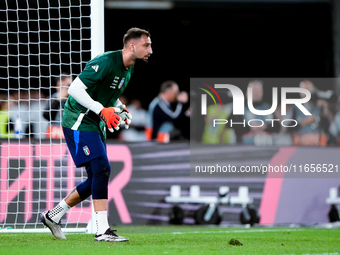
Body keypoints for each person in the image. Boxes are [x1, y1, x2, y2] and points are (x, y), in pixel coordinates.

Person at [40, 27, 152, 242]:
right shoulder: (107, 62)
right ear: (132, 45)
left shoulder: (129, 68)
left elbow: (107, 95)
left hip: (94, 123)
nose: (150, 50)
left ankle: (53, 216)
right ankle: (102, 230)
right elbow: (74, 89)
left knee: (96, 176)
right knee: (102, 168)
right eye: (146, 45)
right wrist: (102, 110)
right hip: (79, 121)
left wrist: (119, 107)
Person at [43, 73, 72, 139]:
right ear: (57, 87)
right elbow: (46, 116)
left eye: (68, 86)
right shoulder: (53, 97)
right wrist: (58, 99)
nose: (66, 89)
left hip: (70, 132)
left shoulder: (76, 99)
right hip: (55, 133)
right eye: (63, 86)